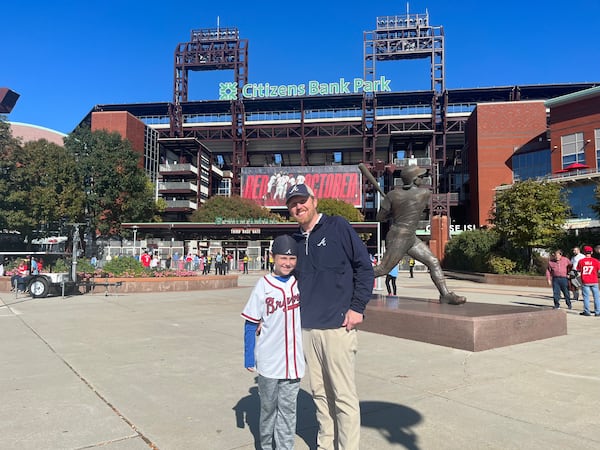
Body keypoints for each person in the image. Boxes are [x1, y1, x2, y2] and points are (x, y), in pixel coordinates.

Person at [286, 183, 374, 450]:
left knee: (343, 396)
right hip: (307, 329)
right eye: (293, 203)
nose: (298, 206)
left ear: (314, 201)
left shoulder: (338, 226)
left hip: (338, 327)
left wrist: (357, 307)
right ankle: (326, 445)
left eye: (302, 201)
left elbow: (364, 268)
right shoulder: (294, 241)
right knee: (320, 394)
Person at [241, 234, 304, 450]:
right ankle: (266, 446)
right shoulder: (263, 285)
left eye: (292, 258)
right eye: (282, 258)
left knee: (288, 411)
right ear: (272, 258)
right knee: (268, 409)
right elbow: (250, 323)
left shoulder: (300, 283)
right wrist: (249, 356)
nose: (287, 263)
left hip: (294, 361)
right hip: (269, 361)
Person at [372, 166, 466, 305]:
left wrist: (391, 209)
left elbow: (380, 218)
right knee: (383, 269)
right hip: (399, 237)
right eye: (420, 177)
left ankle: (445, 294)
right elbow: (410, 205)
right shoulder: (424, 193)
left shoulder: (392, 195)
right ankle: (348, 279)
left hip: (409, 236)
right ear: (413, 179)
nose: (422, 179)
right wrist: (395, 208)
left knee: (433, 262)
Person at [576, 246, 600, 316]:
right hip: (594, 281)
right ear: (591, 252)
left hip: (585, 281)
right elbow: (599, 271)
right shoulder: (596, 261)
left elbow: (578, 270)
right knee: (596, 297)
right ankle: (597, 312)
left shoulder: (581, 261)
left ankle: (587, 311)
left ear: (584, 252)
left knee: (586, 297)